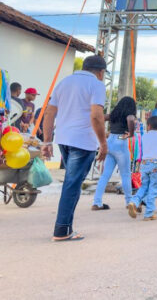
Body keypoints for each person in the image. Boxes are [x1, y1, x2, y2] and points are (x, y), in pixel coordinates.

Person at [41, 55, 107, 241]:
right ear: (100, 72)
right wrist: (103, 143)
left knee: (73, 183)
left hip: (63, 138)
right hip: (83, 141)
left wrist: (47, 141)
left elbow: (49, 112)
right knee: (72, 184)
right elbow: (96, 115)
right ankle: (61, 229)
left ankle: (66, 226)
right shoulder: (97, 85)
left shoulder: (64, 82)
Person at [92, 96, 137, 210]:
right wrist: (131, 134)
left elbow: (100, 117)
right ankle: (129, 202)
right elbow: (131, 119)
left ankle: (97, 202)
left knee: (105, 174)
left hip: (110, 140)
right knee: (126, 174)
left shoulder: (113, 115)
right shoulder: (129, 115)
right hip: (121, 140)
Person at [127, 116, 157, 221]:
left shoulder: (144, 137)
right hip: (156, 164)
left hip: (144, 164)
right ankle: (149, 213)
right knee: (153, 189)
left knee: (144, 186)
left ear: (149, 126)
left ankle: (134, 201)